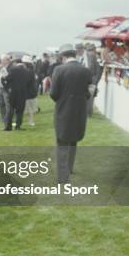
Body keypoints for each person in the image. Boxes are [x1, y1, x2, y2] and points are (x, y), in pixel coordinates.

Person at [50, 44, 92, 184]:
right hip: (79, 110)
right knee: (73, 140)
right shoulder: (85, 71)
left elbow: (53, 93)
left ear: (63, 56)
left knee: (62, 142)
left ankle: (63, 176)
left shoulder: (59, 69)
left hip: (63, 109)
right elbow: (89, 92)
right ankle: (69, 168)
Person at [2, 57, 33, 131]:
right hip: (22, 92)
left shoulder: (13, 70)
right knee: (20, 110)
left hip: (13, 92)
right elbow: (29, 82)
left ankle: (8, 126)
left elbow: (6, 79)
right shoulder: (27, 71)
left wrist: (6, 87)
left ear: (15, 63)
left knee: (11, 109)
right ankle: (18, 126)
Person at [82, 44, 101, 116]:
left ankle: (88, 112)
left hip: (90, 78)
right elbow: (95, 68)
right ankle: (88, 112)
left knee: (88, 96)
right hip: (92, 79)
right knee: (90, 96)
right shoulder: (92, 55)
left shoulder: (89, 55)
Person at [22, 55, 39, 126]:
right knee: (30, 107)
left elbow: (26, 81)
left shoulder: (28, 71)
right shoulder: (31, 70)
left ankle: (31, 121)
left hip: (29, 91)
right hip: (31, 91)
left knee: (29, 108)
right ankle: (30, 121)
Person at [0, 54, 11, 125]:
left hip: (6, 88)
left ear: (7, 60)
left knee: (7, 105)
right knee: (1, 104)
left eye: (3, 60)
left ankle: (8, 119)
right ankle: (3, 119)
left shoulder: (10, 68)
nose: (1, 62)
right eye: (1, 60)